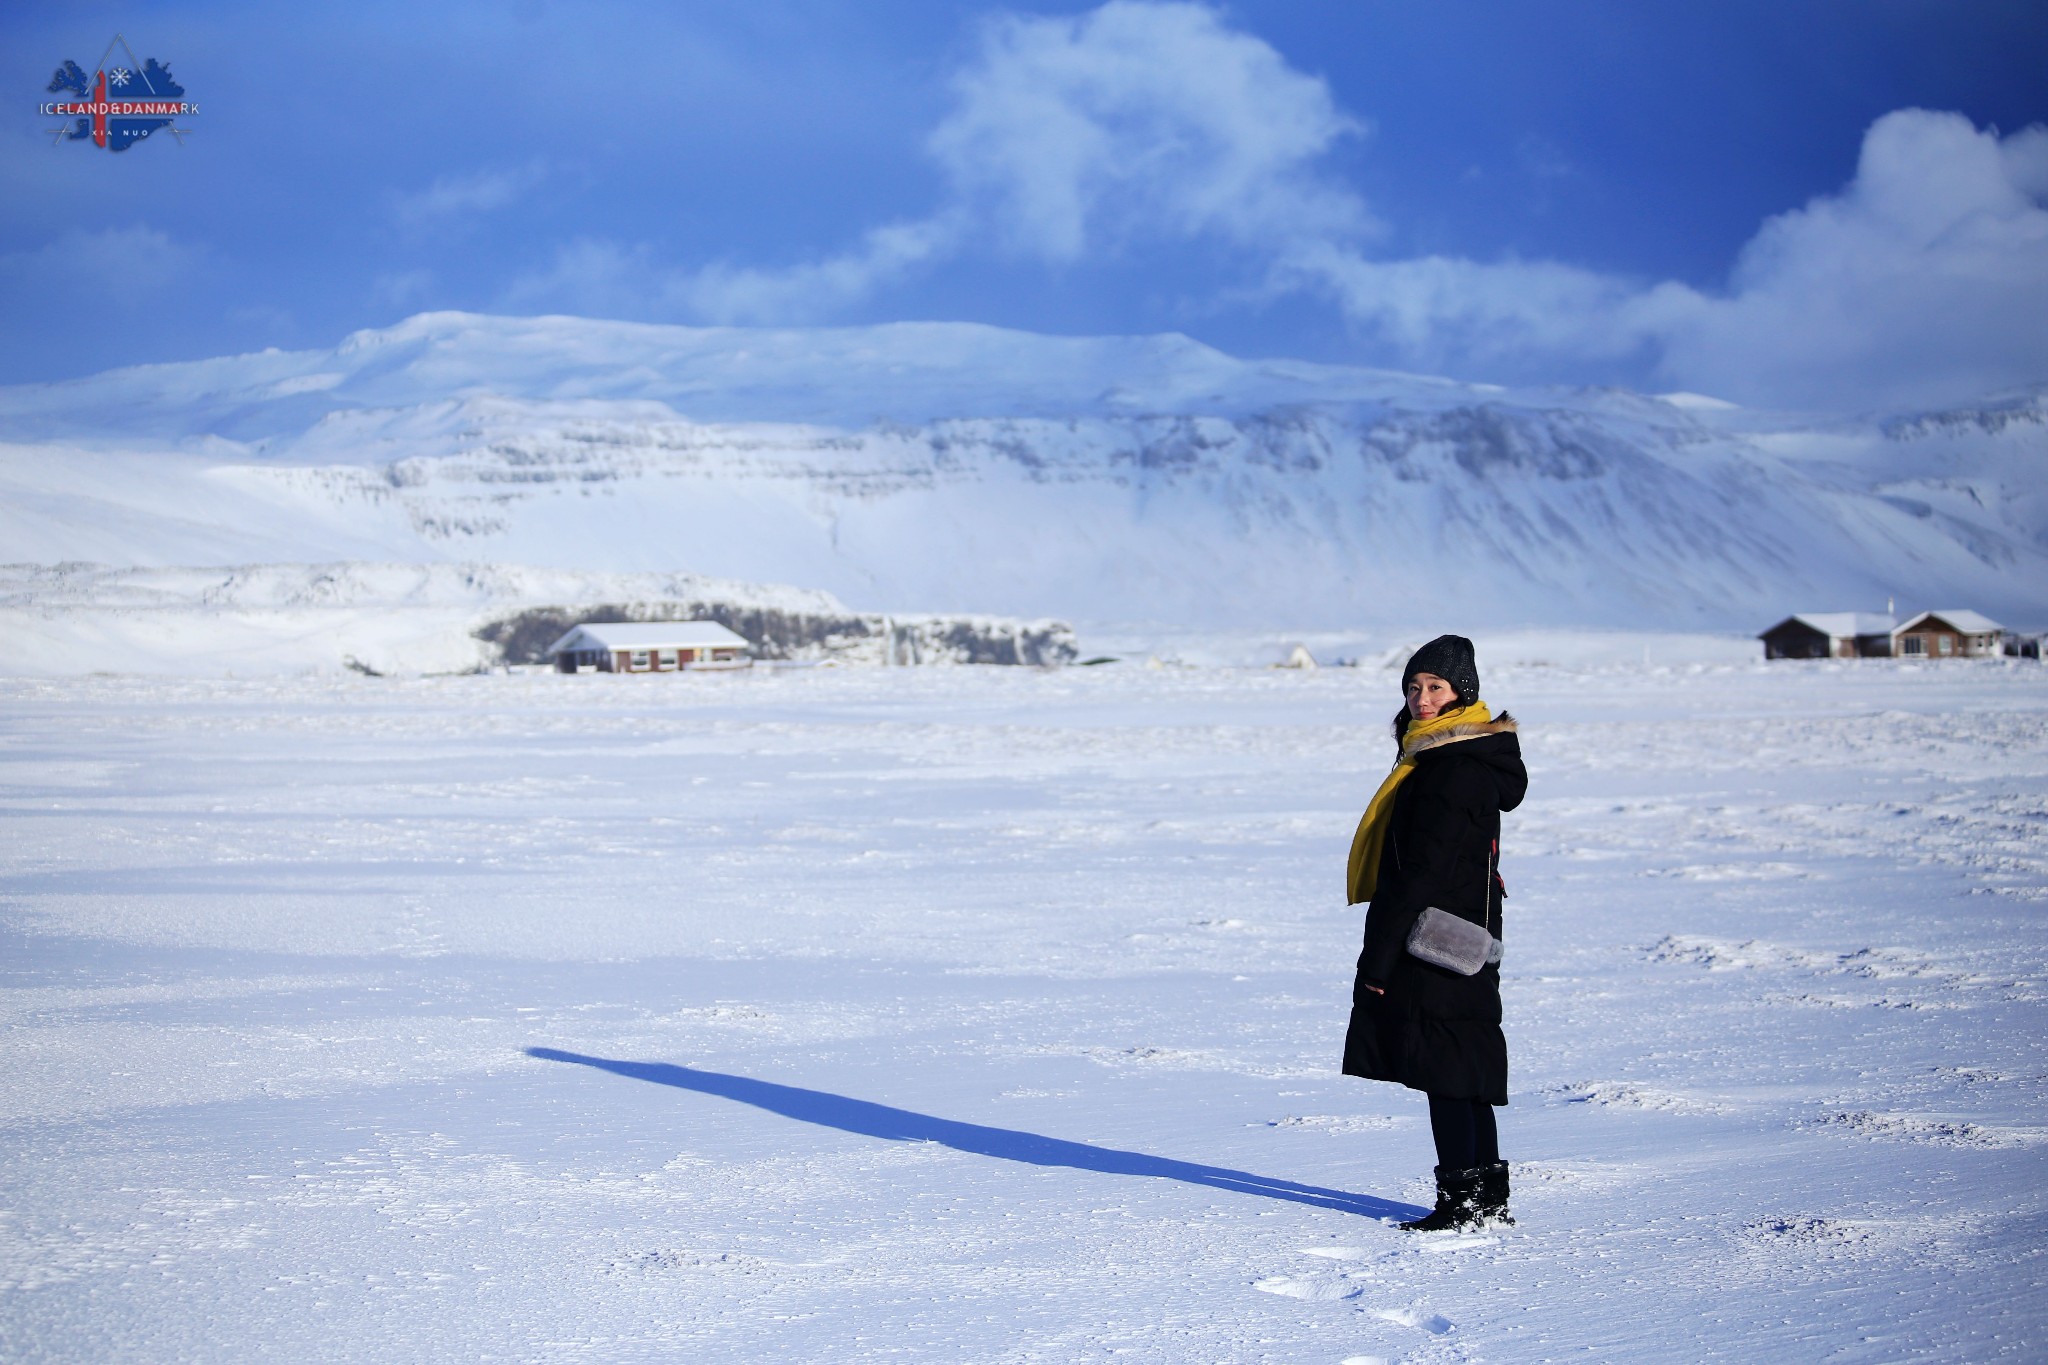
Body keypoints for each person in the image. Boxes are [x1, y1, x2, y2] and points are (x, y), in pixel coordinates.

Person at [1342, 634, 1527, 1231]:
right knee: (1464, 1069)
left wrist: (1378, 959)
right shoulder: (1461, 757)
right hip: (1466, 933)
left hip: (1434, 939)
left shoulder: (1449, 769)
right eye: (1414, 686)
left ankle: (1461, 1205)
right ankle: (1484, 1201)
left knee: (1447, 1072)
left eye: (1435, 688)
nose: (1422, 699)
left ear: (1462, 694)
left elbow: (1418, 875)